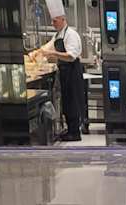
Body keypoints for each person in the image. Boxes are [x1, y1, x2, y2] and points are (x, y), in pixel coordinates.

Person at [33, 0, 85, 141]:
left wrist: (53, 54)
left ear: (63, 19)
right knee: (66, 102)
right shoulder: (58, 35)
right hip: (64, 72)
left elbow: (71, 56)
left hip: (72, 72)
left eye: (55, 21)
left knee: (72, 101)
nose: (52, 23)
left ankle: (75, 133)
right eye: (52, 21)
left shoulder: (71, 35)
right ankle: (70, 129)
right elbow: (47, 47)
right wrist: (36, 52)